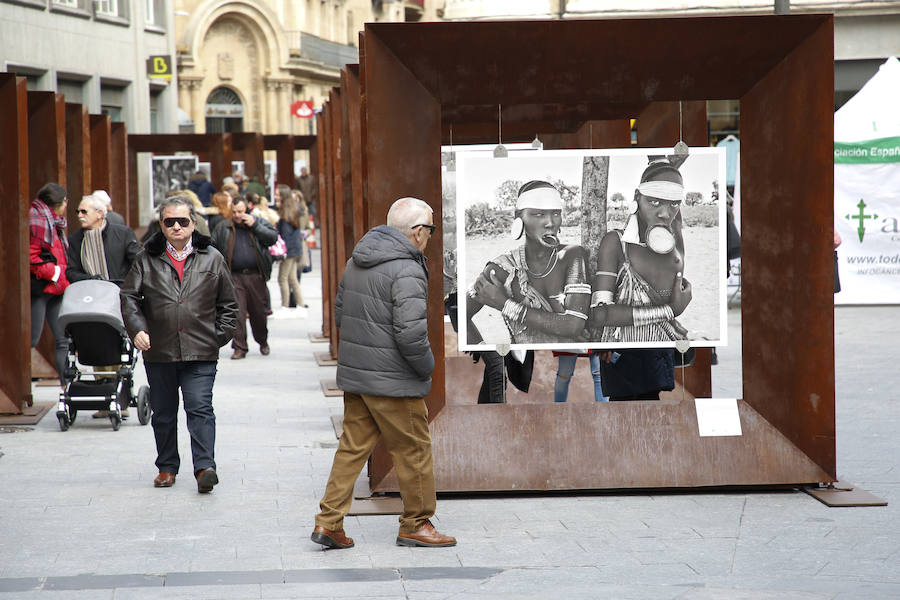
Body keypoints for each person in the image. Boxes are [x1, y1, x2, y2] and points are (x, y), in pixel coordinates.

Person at [312, 197, 455, 550]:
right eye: (431, 230)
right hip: (394, 380)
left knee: (351, 448)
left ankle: (329, 522)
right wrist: (426, 367)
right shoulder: (406, 268)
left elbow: (341, 314)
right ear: (418, 232)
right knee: (414, 450)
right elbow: (410, 333)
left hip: (359, 376)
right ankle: (416, 523)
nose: (430, 237)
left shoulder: (358, 259)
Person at [120, 195, 238, 492]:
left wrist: (217, 337)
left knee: (200, 408)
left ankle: (204, 468)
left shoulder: (212, 257)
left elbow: (229, 304)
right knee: (163, 411)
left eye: (182, 221)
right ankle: (167, 467)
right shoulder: (146, 258)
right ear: (161, 225)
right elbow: (129, 298)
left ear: (193, 223)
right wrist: (137, 329)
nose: (175, 226)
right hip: (159, 350)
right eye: (169, 221)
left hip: (201, 350)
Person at [588, 158, 692, 401]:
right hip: (621, 352)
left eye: (674, 204)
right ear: (638, 197)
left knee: (651, 409)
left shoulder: (675, 244)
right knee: (624, 414)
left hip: (658, 353)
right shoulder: (616, 243)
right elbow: (600, 314)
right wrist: (669, 310)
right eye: (654, 201)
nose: (665, 213)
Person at [467, 180, 590, 345]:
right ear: (519, 217)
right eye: (538, 214)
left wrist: (504, 304)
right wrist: (486, 354)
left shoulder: (572, 255)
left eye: (555, 213)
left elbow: (573, 326)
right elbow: (458, 315)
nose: (550, 223)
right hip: (524, 365)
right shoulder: (503, 268)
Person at [66, 193, 143, 418]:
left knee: (117, 346)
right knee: (95, 342)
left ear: (100, 214)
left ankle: (120, 398)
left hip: (117, 298)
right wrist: (91, 280)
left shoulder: (122, 234)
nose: (79, 216)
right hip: (89, 299)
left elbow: (137, 261)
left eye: (84, 212)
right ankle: (104, 398)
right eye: (78, 212)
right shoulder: (76, 239)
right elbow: (71, 270)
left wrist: (128, 287)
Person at [210, 196, 277, 359]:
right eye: (234, 212)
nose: (237, 215)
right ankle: (240, 347)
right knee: (237, 313)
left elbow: (272, 238)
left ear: (247, 209)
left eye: (240, 211)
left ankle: (262, 341)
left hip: (255, 275)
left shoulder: (258, 222)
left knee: (258, 313)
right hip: (234, 276)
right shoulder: (223, 227)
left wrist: (255, 226)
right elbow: (213, 248)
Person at [29, 183, 70, 385]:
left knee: (63, 340)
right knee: (30, 340)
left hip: (58, 287)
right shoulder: (37, 220)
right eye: (65, 201)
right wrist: (54, 272)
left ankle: (66, 388)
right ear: (59, 203)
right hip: (41, 287)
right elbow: (32, 257)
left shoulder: (54, 222)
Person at [274, 188, 308, 315]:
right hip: (296, 248)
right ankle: (301, 305)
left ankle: (285, 306)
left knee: (282, 278)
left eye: (278, 194)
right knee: (292, 278)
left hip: (288, 250)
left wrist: (283, 252)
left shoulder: (285, 213)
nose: (275, 196)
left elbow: (286, 235)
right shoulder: (294, 209)